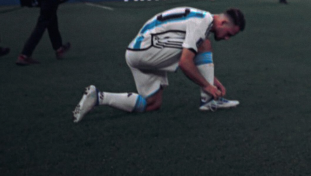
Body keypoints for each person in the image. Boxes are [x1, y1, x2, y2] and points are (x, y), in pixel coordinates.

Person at [71, 7, 244, 122]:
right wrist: (207, 86)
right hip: (147, 49)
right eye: (229, 34)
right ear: (222, 23)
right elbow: (185, 62)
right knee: (203, 44)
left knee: (152, 103)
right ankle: (208, 101)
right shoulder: (203, 22)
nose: (227, 38)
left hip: (137, 51)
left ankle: (98, 97)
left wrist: (211, 81)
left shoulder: (201, 17)